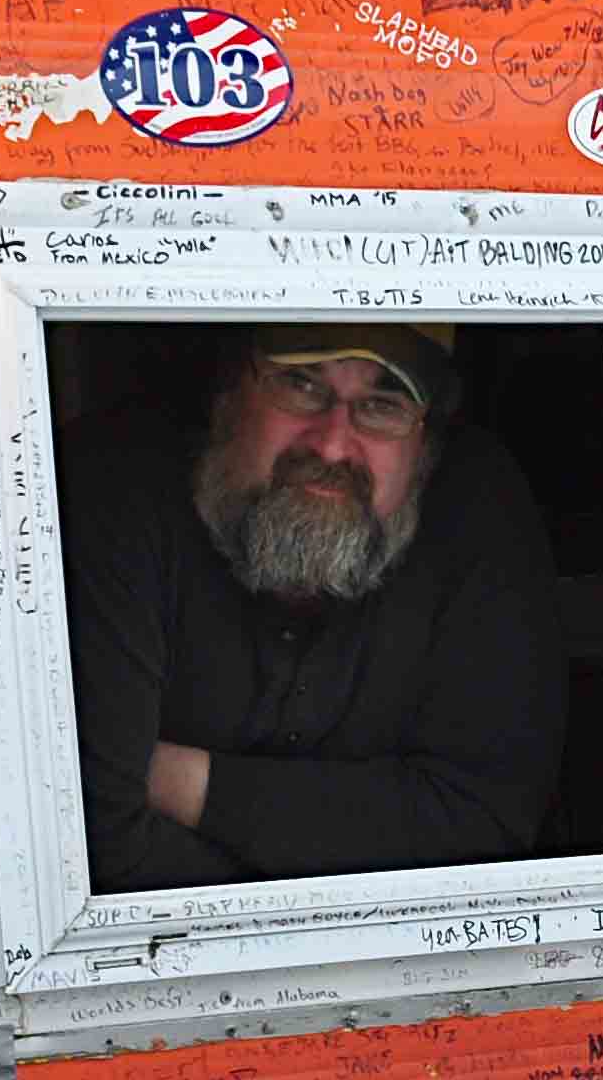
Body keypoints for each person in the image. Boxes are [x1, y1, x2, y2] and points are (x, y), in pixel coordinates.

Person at [64, 324, 563, 892]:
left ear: (424, 443)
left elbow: (487, 829)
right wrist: (358, 847)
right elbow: (89, 843)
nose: (331, 446)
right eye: (300, 385)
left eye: (382, 405)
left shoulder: (475, 503)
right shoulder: (117, 482)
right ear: (230, 395)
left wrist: (181, 782)